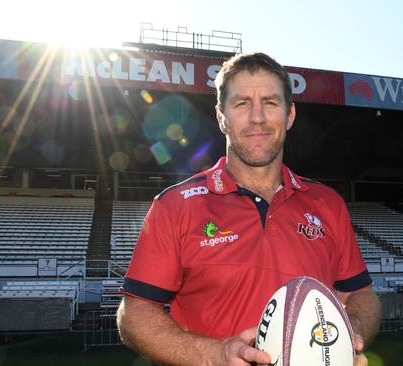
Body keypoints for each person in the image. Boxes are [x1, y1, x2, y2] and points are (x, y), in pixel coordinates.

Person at [117, 52, 381, 366]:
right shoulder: (175, 206)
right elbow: (134, 316)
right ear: (221, 116)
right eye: (242, 103)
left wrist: (349, 337)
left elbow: (361, 295)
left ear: (290, 115)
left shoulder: (327, 203)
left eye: (270, 102)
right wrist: (215, 355)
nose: (257, 117)